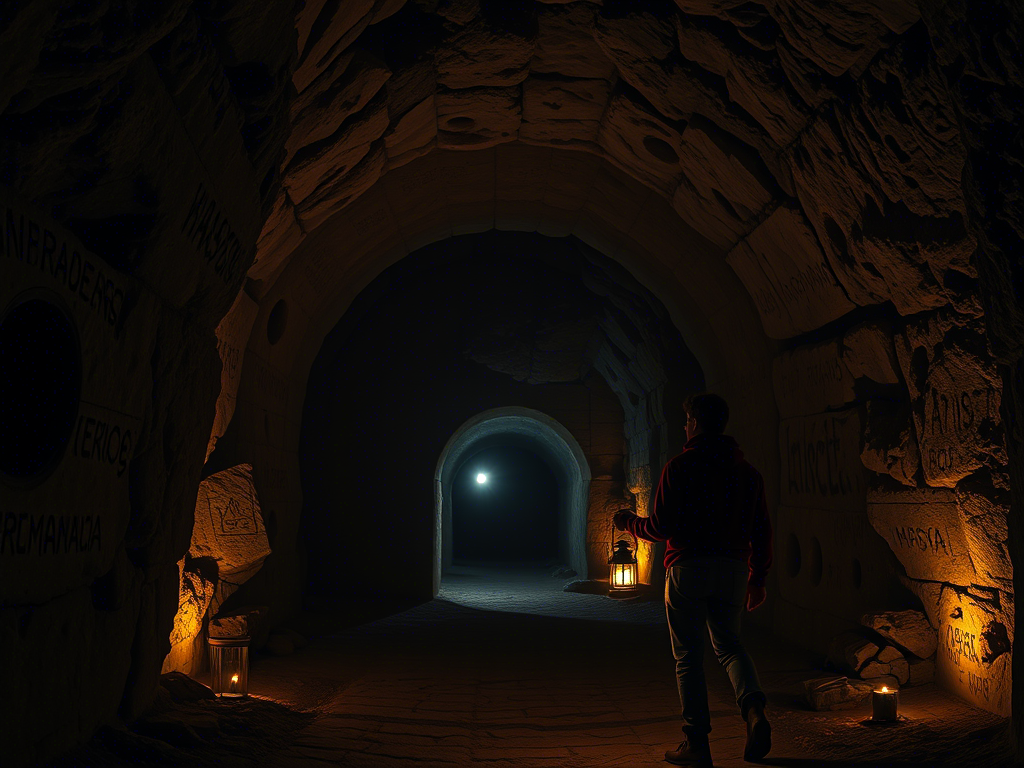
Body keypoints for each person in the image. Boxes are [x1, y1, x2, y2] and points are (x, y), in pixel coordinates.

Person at [614, 393, 773, 767]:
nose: (685, 427)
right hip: (733, 568)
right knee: (731, 646)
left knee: (688, 655)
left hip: (688, 568)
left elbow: (660, 526)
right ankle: (753, 710)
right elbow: (762, 529)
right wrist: (758, 578)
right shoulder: (748, 473)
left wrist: (628, 524)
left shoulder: (680, 467)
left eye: (687, 421)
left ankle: (697, 743)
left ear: (696, 423)